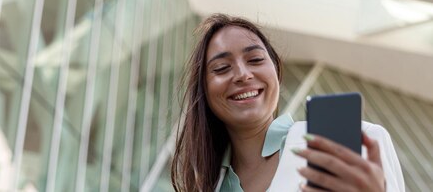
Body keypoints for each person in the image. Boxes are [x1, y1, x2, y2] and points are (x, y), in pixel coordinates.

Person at [170, 13, 405, 192]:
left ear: (276, 71)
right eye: (222, 68)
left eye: (255, 59)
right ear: (204, 91)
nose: (242, 74)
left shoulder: (359, 141)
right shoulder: (208, 186)